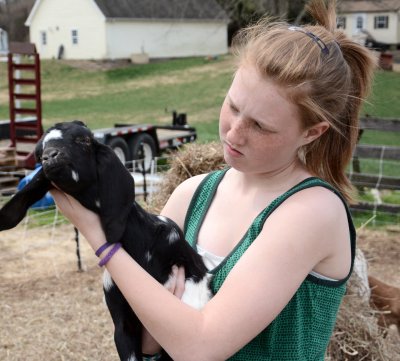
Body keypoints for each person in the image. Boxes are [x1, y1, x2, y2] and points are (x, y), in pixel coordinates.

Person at [51, 0, 377, 359]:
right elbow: (139, 333)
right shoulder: (191, 195)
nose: (234, 134)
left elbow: (200, 346)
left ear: (312, 133)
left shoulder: (312, 211)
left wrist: (103, 240)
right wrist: (154, 338)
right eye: (234, 106)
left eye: (260, 126)